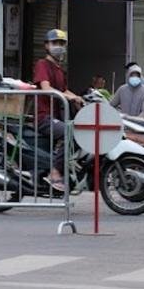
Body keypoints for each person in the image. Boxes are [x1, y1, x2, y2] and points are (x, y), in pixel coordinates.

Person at [32, 29, 83, 192]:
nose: (58, 47)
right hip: (43, 118)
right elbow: (46, 87)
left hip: (54, 117)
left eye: (61, 43)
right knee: (72, 132)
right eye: (55, 43)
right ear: (46, 45)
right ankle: (55, 173)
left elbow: (64, 90)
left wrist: (78, 98)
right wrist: (67, 97)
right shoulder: (42, 65)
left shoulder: (59, 69)